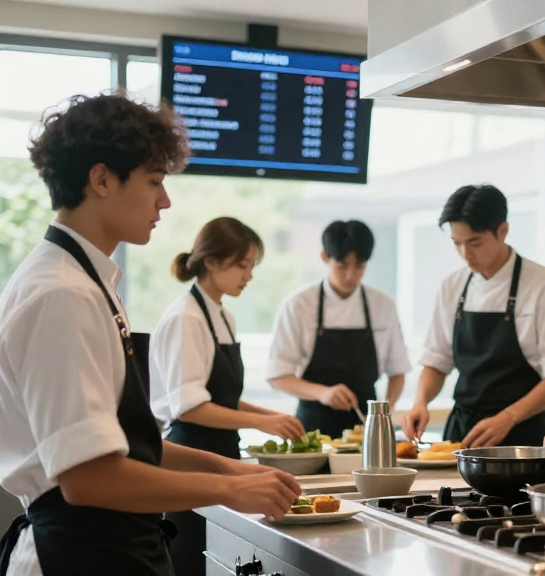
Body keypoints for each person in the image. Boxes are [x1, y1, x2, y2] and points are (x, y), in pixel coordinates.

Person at [0, 94, 300, 576]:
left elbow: (119, 441)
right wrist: (227, 491)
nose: (165, 200)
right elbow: (89, 478)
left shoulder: (87, 281)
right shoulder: (61, 293)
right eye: (154, 181)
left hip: (108, 547)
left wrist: (228, 468)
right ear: (101, 180)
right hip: (76, 555)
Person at [150, 216, 305, 576]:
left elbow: (221, 396)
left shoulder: (222, 315)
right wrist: (263, 421)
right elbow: (190, 408)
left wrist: (269, 417)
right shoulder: (185, 317)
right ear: (211, 262)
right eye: (242, 265)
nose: (249, 275)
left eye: (251, 266)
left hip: (222, 450)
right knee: (191, 560)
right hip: (190, 454)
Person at [402, 185, 545, 447]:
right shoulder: (453, 286)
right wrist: (420, 402)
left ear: (503, 231)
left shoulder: (544, 285)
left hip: (522, 436)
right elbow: (437, 360)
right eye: (457, 243)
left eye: (474, 242)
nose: (465, 254)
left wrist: (507, 418)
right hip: (462, 433)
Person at [268, 220, 411, 439]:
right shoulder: (298, 305)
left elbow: (397, 372)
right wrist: (322, 393)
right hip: (313, 430)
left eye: (359, 266)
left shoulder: (383, 305)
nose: (350, 275)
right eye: (342, 266)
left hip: (366, 429)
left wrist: (383, 415)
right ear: (324, 257)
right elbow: (277, 376)